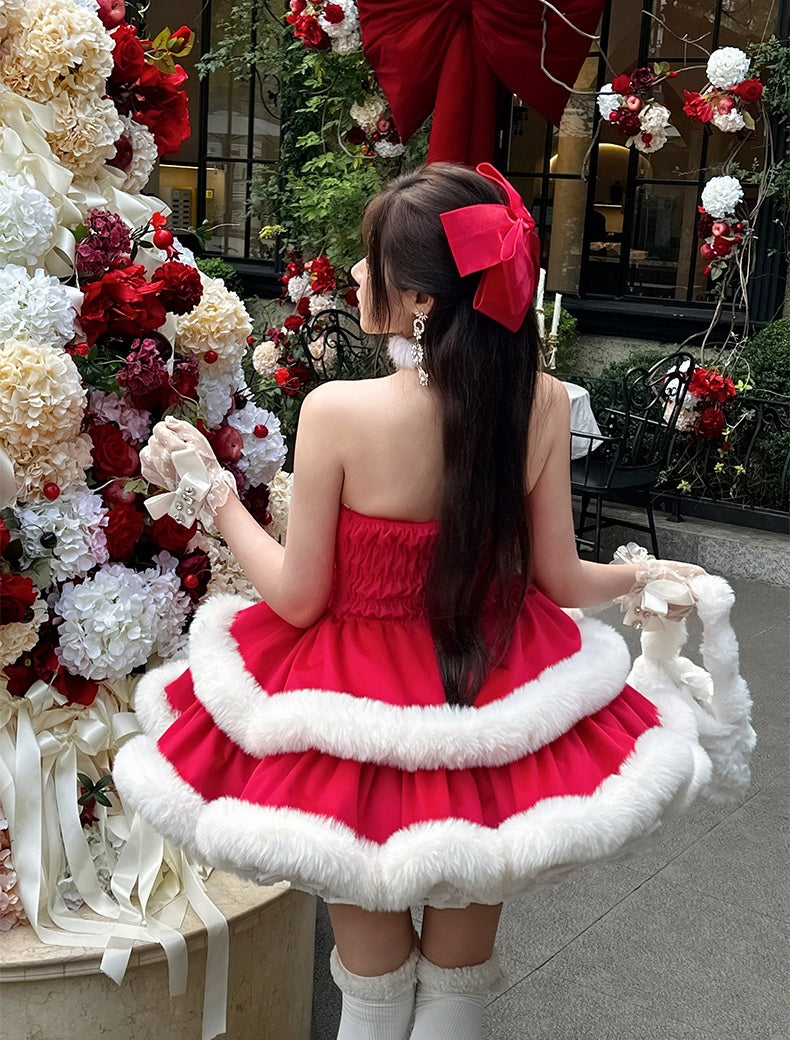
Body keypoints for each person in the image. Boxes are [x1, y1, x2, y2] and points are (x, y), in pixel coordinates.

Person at [114, 162, 752, 1040]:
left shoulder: (338, 411)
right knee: (459, 981)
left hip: (350, 702)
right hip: (493, 691)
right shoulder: (541, 401)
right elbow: (562, 579)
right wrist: (643, 577)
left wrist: (214, 493)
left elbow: (297, 597)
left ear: (419, 298)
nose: (356, 275)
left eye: (370, 260)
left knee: (373, 990)